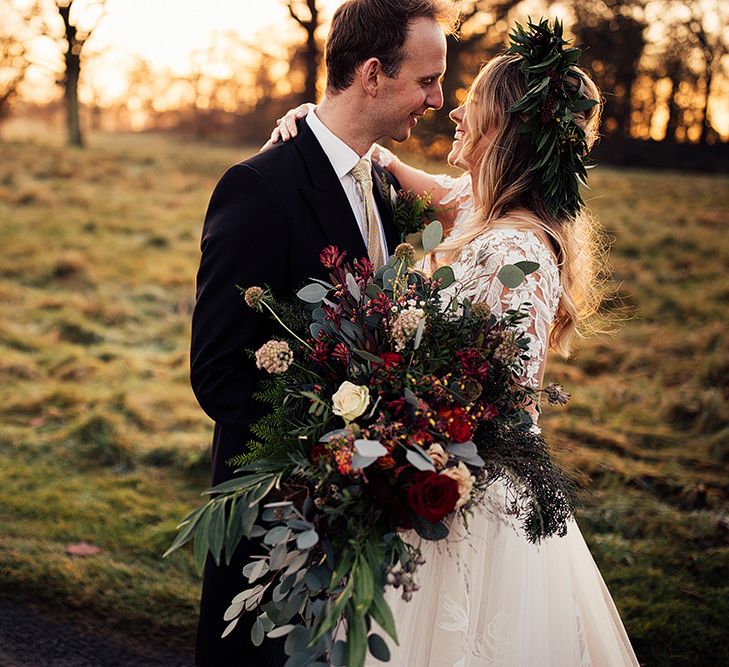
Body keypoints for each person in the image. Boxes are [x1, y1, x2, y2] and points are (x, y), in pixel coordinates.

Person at [267, 21, 640, 667]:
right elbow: (379, 160)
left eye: (473, 101)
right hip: (429, 470)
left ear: (502, 129)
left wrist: (395, 442)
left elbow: (503, 410)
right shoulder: (475, 206)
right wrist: (315, 121)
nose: (455, 109)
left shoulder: (516, 248)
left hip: (468, 503)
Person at [189, 1, 458, 664]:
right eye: (426, 80)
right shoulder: (259, 186)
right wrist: (332, 452)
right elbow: (219, 370)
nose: (438, 97)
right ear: (371, 74)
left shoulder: (388, 190)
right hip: (276, 529)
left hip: (361, 533)